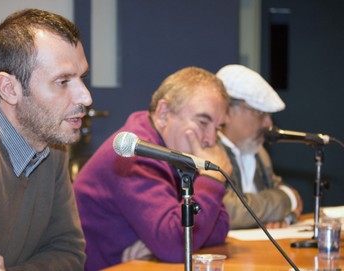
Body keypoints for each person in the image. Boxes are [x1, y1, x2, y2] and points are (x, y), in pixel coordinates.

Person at [0, 9, 92, 270]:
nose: (85, 97)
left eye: (82, 78)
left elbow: (68, 251)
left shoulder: (50, 142)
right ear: (9, 89)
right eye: (63, 81)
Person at [74, 66, 232, 271]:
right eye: (203, 122)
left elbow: (218, 227)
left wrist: (161, 243)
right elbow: (176, 244)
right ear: (164, 113)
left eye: (218, 128)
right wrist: (212, 180)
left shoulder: (174, 150)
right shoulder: (135, 155)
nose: (211, 139)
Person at [216, 64, 303, 229]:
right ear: (226, 110)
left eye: (269, 115)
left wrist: (286, 217)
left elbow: (279, 187)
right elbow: (229, 210)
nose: (268, 123)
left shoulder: (259, 151)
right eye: (260, 113)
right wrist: (287, 200)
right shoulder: (208, 151)